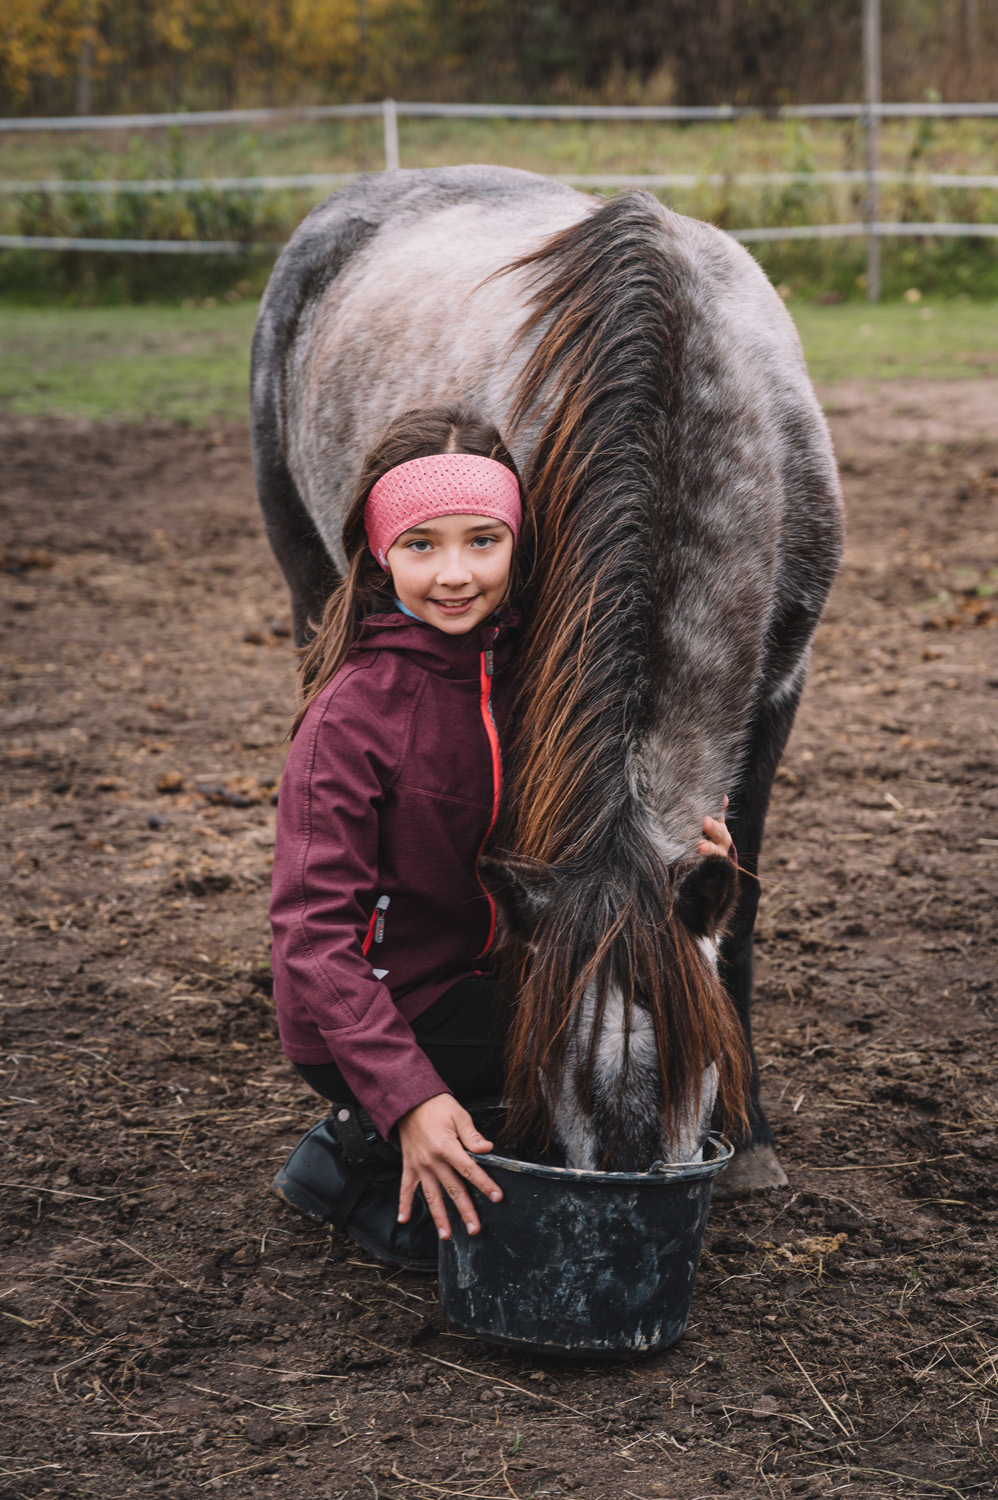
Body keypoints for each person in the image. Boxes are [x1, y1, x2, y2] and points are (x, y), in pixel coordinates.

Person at [269, 404, 735, 1270]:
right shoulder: (352, 718)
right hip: (380, 1008)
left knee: (626, 1049)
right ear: (380, 552)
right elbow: (310, 937)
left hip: (497, 975)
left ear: (519, 543)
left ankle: (478, 1130)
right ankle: (355, 1158)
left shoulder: (544, 679)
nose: (455, 573)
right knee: (531, 1179)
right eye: (421, 545)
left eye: (482, 540)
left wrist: (696, 865)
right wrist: (408, 1097)